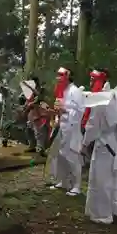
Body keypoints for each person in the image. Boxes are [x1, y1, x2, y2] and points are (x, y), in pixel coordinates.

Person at [82, 69, 117, 223]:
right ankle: (116, 209)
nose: (90, 82)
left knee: (101, 180)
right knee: (114, 179)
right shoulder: (115, 95)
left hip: (104, 144)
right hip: (115, 144)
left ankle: (103, 215)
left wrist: (84, 143)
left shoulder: (101, 100)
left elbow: (93, 125)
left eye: (92, 79)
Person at [50, 67, 85, 196]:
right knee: (60, 156)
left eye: (61, 75)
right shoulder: (62, 91)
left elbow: (80, 110)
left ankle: (76, 185)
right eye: (57, 75)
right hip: (62, 127)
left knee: (73, 155)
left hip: (72, 128)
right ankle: (63, 181)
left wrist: (66, 111)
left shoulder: (75, 91)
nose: (58, 78)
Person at [24, 76, 49, 157]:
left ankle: (40, 148)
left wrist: (31, 88)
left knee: (39, 133)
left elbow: (40, 98)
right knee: (28, 130)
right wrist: (25, 107)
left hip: (39, 113)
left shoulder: (41, 89)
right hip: (31, 113)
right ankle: (32, 145)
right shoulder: (29, 91)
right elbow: (28, 101)